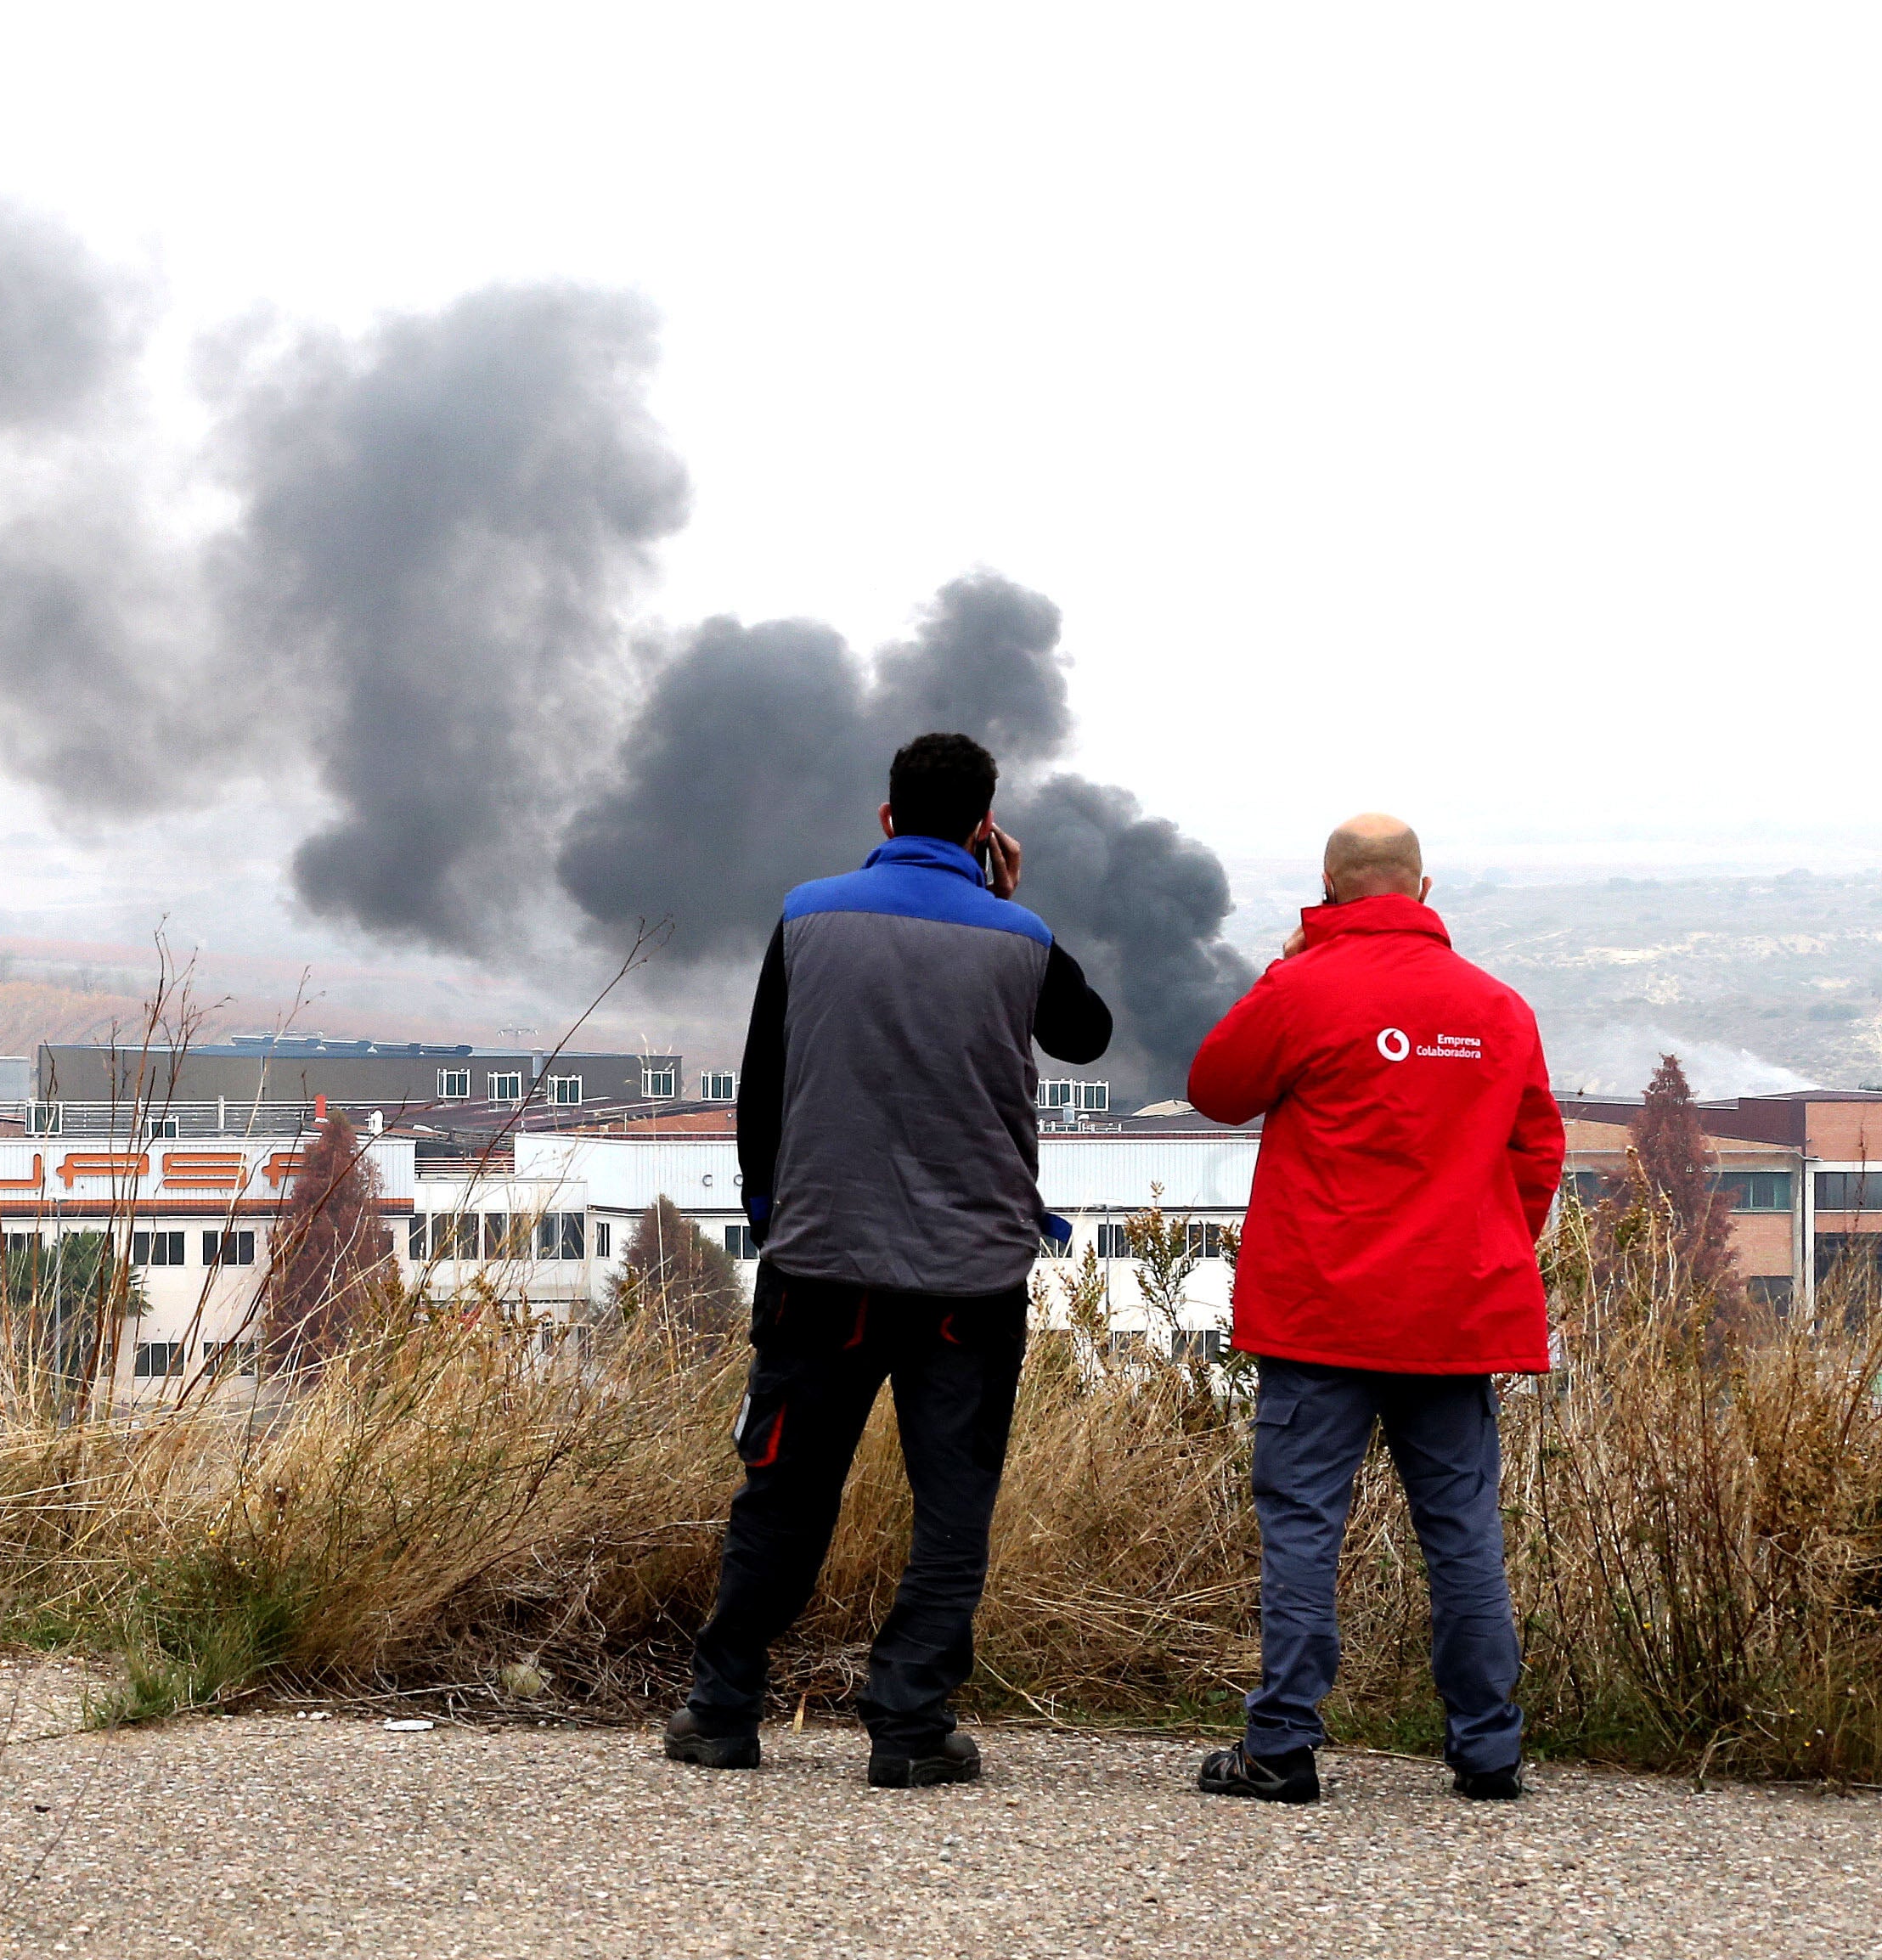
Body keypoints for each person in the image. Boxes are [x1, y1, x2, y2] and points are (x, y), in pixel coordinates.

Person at [665, 732, 1114, 1788]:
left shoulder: (809, 913)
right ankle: (910, 1724)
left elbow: (762, 1076)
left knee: (783, 1489)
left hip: (821, 1265)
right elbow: (1087, 1036)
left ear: (884, 819)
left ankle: (722, 1710)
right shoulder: (1021, 935)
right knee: (952, 1503)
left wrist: (775, 1215)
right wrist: (1014, 896)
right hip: (970, 1280)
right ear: (982, 828)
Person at [1181, 814, 1563, 1804]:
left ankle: (1284, 1748)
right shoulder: (1499, 1007)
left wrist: (1280, 972)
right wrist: (1481, 1246)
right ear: (1423, 892)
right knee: (1463, 1529)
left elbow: (1216, 1089)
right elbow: (1537, 1153)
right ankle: (1488, 1751)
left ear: (1329, 887)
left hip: (1321, 1312)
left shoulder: (1302, 989)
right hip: (1452, 1313)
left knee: (1304, 1523)